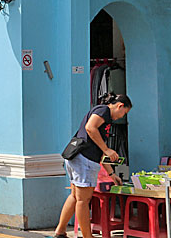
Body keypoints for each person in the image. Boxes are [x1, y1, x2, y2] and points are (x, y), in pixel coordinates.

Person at [53, 94, 132, 238]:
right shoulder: (103, 111)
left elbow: (100, 149)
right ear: (120, 106)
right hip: (84, 159)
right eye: (124, 113)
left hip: (78, 158)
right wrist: (107, 149)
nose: (121, 117)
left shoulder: (105, 117)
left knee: (75, 196)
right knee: (83, 200)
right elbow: (90, 128)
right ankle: (87, 236)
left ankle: (60, 231)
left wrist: (111, 174)